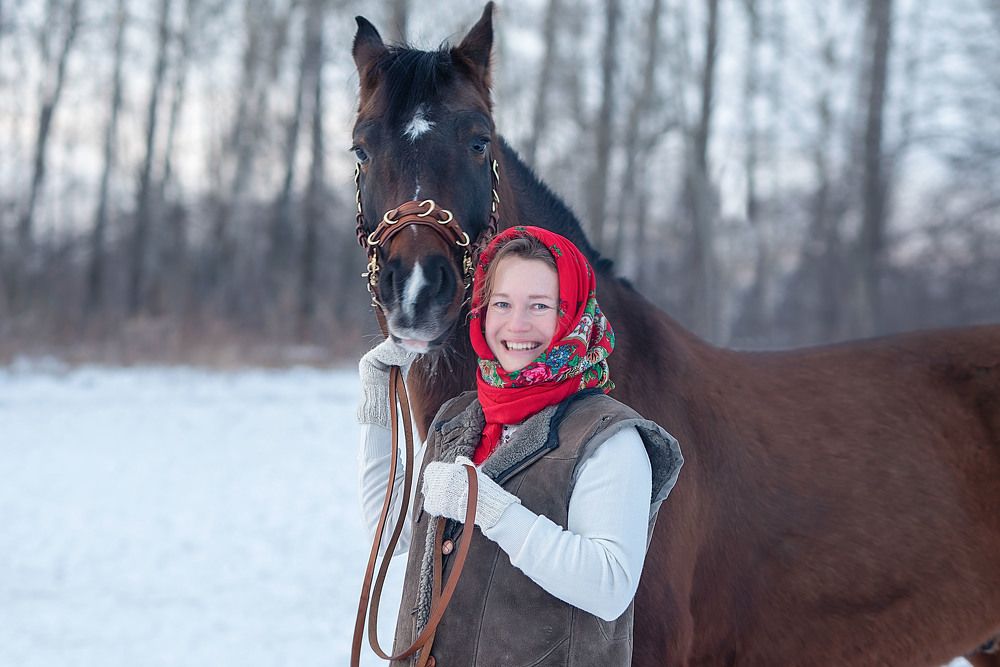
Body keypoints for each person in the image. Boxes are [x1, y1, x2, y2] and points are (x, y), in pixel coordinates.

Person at [356, 226, 683, 666]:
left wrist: (489, 508)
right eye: (503, 304)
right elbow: (393, 532)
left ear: (573, 315)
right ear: (482, 311)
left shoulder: (610, 438)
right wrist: (377, 399)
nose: (518, 325)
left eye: (540, 307)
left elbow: (608, 587)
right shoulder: (459, 421)